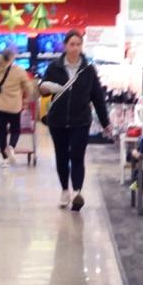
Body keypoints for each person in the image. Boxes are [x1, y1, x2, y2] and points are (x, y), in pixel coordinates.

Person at [39, 30, 112, 211]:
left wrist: (105, 122)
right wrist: (45, 87)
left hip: (81, 120)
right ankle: (65, 190)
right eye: (72, 44)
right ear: (65, 46)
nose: (75, 48)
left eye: (78, 44)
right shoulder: (54, 67)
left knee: (77, 156)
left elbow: (97, 97)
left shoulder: (88, 69)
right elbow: (43, 90)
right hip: (58, 120)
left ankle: (78, 192)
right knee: (62, 156)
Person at [0, 47, 33, 168]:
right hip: (14, 106)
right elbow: (28, 86)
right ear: (12, 57)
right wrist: (27, 98)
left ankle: (5, 160)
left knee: (1, 132)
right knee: (15, 129)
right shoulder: (19, 71)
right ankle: (12, 147)